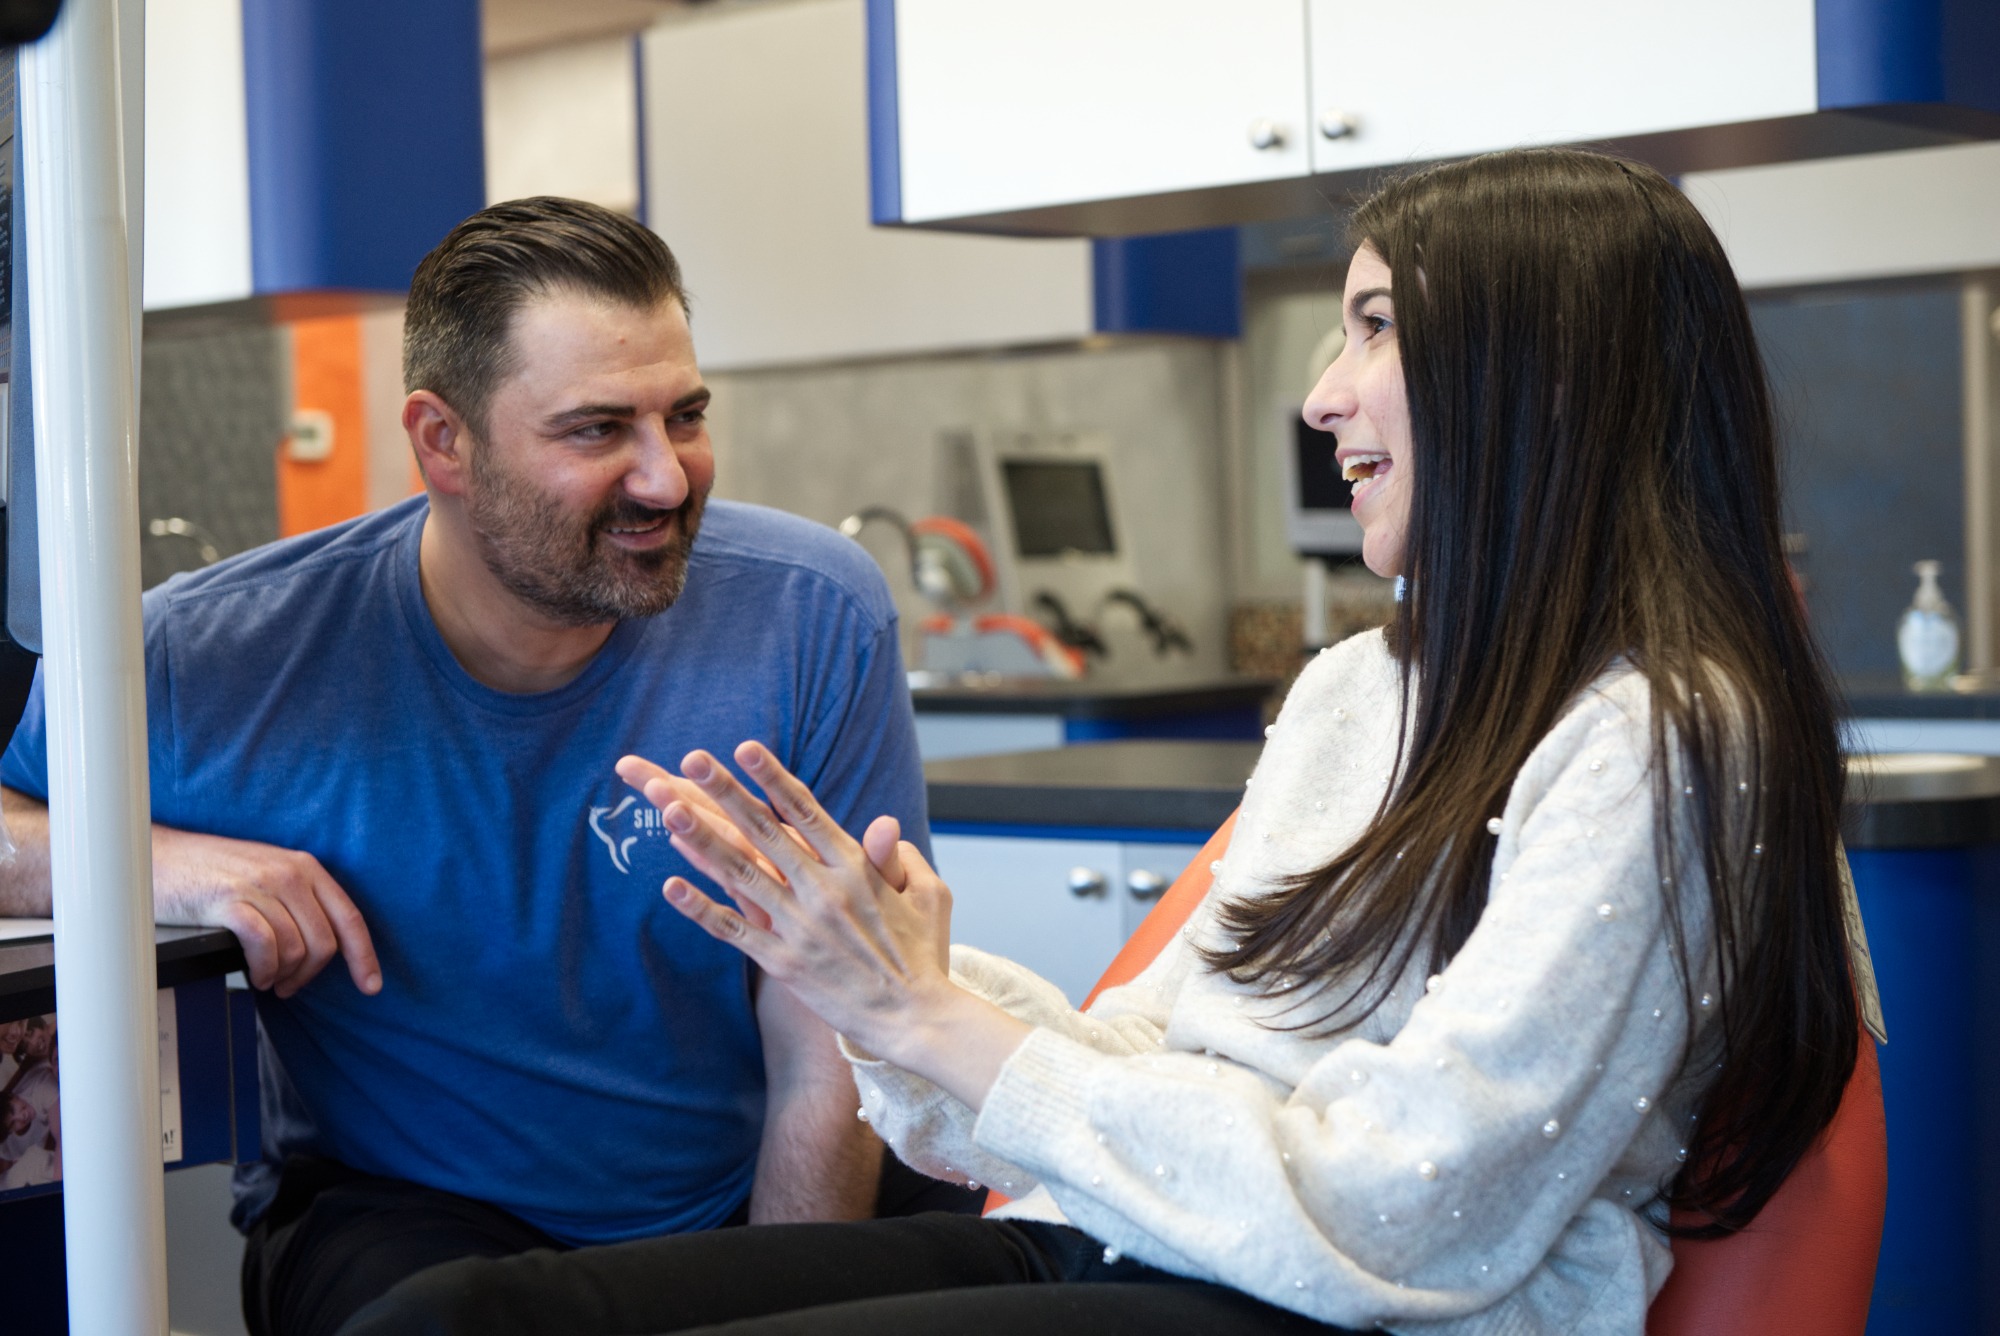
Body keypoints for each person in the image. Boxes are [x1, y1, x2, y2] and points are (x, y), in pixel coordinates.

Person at [343, 149, 1871, 1336]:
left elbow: (1411, 1203)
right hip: (1156, 1246)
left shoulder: (1667, 739)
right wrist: (889, 985)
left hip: (1353, 1309)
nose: (1321, 393)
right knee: (449, 1315)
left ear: (1544, 378)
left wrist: (945, 1030)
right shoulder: (1360, 691)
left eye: (1374, 329)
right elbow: (1177, 1052)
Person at [0, 197, 939, 1335]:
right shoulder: (206, 655)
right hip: (408, 1211)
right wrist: (163, 864)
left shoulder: (808, 612)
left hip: (744, 1191)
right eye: (596, 430)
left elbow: (826, 1047)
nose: (665, 478)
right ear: (441, 440)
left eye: (683, 415)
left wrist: (775, 1304)